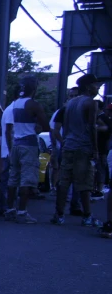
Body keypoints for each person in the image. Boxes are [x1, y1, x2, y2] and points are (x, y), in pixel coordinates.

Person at [51, 73, 104, 226]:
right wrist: (95, 149)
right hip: (83, 147)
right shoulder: (91, 103)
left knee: (64, 181)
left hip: (69, 146)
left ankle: (59, 214)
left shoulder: (69, 104)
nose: (97, 88)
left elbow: (65, 127)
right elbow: (92, 128)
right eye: (95, 86)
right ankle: (87, 216)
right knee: (85, 183)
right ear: (88, 87)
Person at [4, 76, 50, 223]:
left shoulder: (16, 103)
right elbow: (46, 125)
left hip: (16, 143)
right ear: (34, 88)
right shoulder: (34, 105)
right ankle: (22, 212)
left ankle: (10, 209)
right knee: (27, 179)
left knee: (13, 178)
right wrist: (38, 125)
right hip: (29, 144)